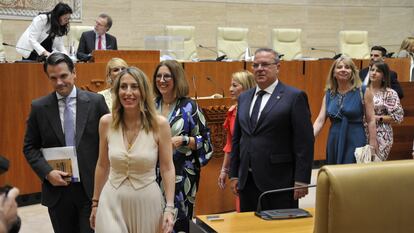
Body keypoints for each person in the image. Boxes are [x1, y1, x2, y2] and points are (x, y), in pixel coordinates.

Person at [23, 53, 109, 233]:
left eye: (63, 76)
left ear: (74, 73)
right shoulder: (39, 107)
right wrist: (47, 173)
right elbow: (30, 147)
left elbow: (110, 142)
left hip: (91, 191)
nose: (59, 82)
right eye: (53, 78)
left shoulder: (95, 102)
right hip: (58, 192)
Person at [90, 67, 175, 233]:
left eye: (134, 87)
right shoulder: (106, 122)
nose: (128, 92)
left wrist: (169, 208)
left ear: (143, 91)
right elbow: (102, 165)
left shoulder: (160, 124)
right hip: (111, 199)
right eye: (123, 87)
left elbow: (167, 168)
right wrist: (95, 203)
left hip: (147, 201)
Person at [229, 48, 314, 212]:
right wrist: (234, 174)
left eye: (265, 64)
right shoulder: (244, 98)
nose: (260, 68)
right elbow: (237, 139)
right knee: (249, 228)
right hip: (247, 180)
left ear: (278, 67)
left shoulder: (294, 97)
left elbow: (305, 142)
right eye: (256, 65)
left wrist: (302, 179)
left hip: (279, 181)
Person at [152, 60, 213, 232]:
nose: (162, 80)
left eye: (167, 76)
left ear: (176, 78)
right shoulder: (151, 105)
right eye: (158, 76)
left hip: (182, 177)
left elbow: (206, 142)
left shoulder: (189, 107)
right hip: (152, 176)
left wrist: (184, 140)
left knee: (178, 223)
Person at [313, 56, 378, 164]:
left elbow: (371, 120)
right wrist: (309, 137)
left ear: (352, 72)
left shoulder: (363, 91)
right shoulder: (329, 94)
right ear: (334, 72)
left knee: (353, 174)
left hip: (355, 138)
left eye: (347, 67)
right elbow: (320, 120)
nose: (343, 69)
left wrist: (372, 143)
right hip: (334, 139)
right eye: (339, 67)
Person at [217, 70, 255, 212]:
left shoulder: (255, 111)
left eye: (234, 85)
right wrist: (224, 170)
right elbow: (230, 145)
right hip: (239, 167)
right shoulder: (232, 111)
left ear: (246, 87)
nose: (230, 89)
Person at [368, 62, 404, 161]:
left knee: (375, 166)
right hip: (360, 131)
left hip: (382, 134)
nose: (374, 73)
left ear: (384, 76)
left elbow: (398, 117)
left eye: (378, 71)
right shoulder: (361, 90)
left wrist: (375, 118)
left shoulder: (390, 93)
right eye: (372, 70)